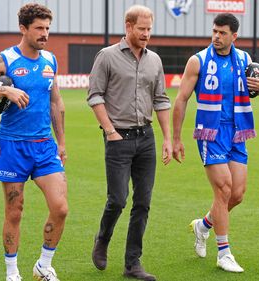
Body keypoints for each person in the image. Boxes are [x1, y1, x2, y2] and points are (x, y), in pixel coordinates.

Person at [0, 3, 68, 281]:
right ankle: (12, 273)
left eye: (47, 28)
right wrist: (5, 89)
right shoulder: (4, 60)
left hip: (45, 145)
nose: (45, 33)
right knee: (15, 211)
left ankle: (43, 265)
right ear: (23, 28)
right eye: (39, 28)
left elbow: (55, 100)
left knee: (60, 208)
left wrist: (61, 142)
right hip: (13, 145)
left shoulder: (50, 60)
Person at [172, 13, 259, 273]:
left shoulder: (246, 60)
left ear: (234, 36)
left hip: (238, 131)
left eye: (222, 33)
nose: (216, 36)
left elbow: (256, 87)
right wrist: (177, 138)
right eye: (214, 31)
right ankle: (224, 253)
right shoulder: (198, 61)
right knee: (224, 190)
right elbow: (181, 99)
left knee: (236, 195)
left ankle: (203, 225)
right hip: (210, 133)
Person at [87, 5, 172, 281]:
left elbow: (161, 100)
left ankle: (132, 263)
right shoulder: (107, 57)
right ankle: (102, 238)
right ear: (128, 26)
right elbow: (95, 95)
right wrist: (110, 130)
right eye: (142, 29)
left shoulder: (154, 61)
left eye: (149, 29)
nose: (147, 34)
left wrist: (168, 139)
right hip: (118, 138)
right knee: (118, 199)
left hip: (145, 138)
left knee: (143, 203)